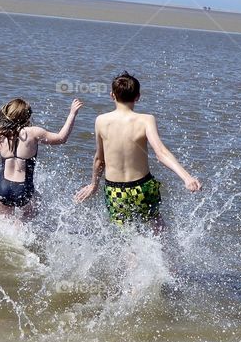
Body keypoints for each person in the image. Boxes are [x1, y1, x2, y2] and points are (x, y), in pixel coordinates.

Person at [74, 72, 201, 227]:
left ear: (112, 95)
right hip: (143, 187)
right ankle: (163, 251)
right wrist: (186, 177)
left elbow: (100, 160)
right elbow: (161, 153)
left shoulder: (101, 121)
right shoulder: (146, 120)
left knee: (126, 237)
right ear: (138, 97)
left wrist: (93, 185)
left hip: (115, 191)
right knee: (156, 226)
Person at [0, 97, 83, 218]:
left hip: (3, 188)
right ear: (26, 116)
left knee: (2, 229)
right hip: (23, 189)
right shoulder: (34, 132)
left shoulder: (1, 136)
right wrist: (72, 114)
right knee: (30, 214)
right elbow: (61, 138)